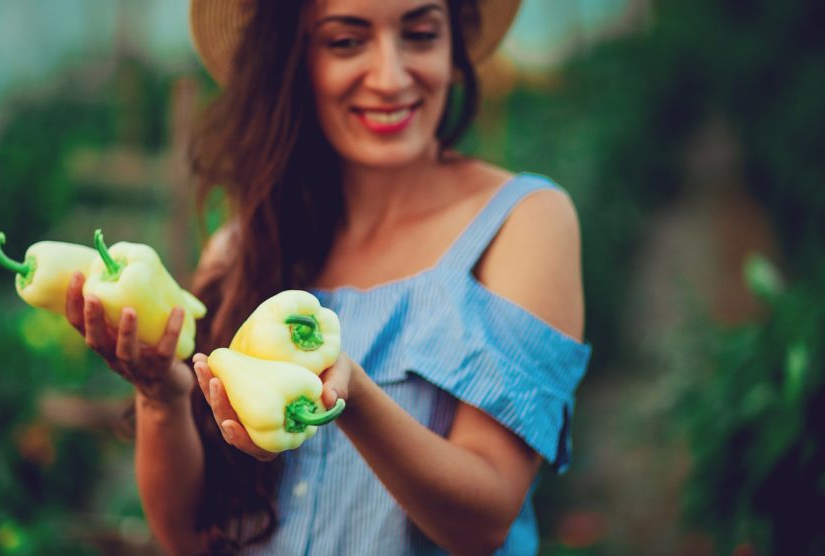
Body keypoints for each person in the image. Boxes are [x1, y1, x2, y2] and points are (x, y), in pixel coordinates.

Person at [65, 0, 591, 554]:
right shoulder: (244, 246)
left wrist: (352, 397)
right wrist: (160, 395)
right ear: (294, 59)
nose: (391, 77)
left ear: (453, 46)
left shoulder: (522, 221)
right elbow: (185, 536)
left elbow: (484, 520)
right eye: (346, 41)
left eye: (420, 34)